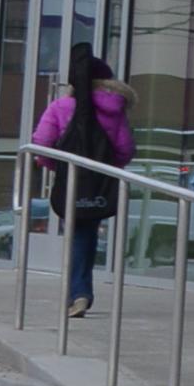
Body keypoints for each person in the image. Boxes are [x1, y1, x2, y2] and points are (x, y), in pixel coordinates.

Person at [27, 45, 132, 318]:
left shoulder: (61, 107)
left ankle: (78, 293)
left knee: (76, 234)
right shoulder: (115, 110)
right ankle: (80, 291)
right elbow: (125, 149)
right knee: (86, 234)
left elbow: (42, 144)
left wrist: (59, 168)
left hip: (70, 181)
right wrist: (107, 169)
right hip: (99, 184)